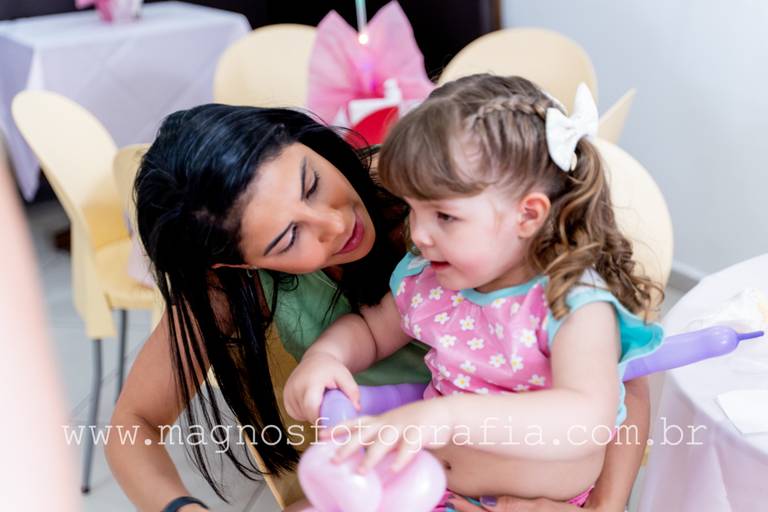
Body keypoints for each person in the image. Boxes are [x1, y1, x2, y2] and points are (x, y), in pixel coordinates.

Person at [106, 101, 652, 512]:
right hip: (415, 483)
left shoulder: (440, 194)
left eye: (312, 184)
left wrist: (603, 507)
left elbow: (624, 379)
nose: (336, 223)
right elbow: (132, 425)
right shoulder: (418, 276)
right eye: (288, 238)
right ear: (236, 265)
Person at [283, 75, 663, 509]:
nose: (418, 234)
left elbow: (586, 419)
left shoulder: (572, 303)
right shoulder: (429, 278)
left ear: (527, 215)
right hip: (429, 488)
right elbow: (371, 330)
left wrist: (448, 417)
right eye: (413, 209)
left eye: (444, 216)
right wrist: (326, 357)